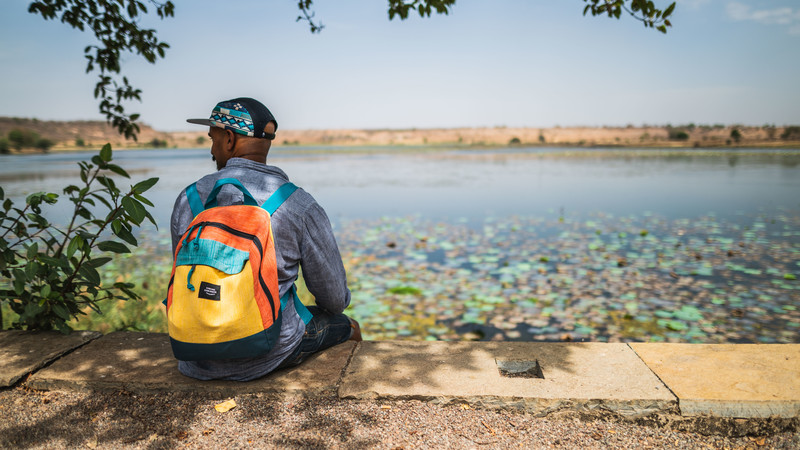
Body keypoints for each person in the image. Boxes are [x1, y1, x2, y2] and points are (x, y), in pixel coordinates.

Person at [171, 97, 361, 381]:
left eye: (212, 139)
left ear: (230, 139)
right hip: (268, 352)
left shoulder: (189, 199)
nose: (212, 150)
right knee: (350, 326)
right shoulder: (298, 204)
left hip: (193, 354)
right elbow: (334, 300)